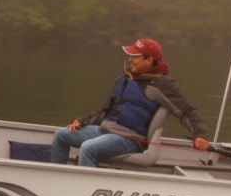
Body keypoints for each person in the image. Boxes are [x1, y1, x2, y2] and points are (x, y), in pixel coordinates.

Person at [50, 38, 210, 167]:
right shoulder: (125, 79)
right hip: (104, 130)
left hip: (129, 139)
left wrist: (200, 135)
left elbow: (187, 111)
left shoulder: (162, 85)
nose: (130, 59)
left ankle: (82, 192)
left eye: (135, 56)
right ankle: (57, 180)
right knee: (61, 135)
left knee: (88, 148)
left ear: (149, 60)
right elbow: (106, 109)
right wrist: (81, 121)